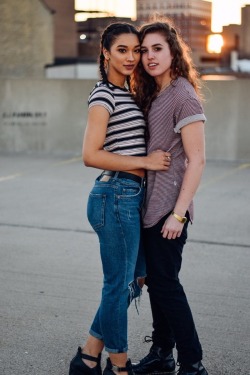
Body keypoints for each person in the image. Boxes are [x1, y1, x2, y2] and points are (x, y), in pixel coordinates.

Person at [68, 22, 171, 375]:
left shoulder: (128, 93)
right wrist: (144, 161)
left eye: (136, 50)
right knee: (117, 284)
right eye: (123, 50)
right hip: (114, 194)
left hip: (130, 196)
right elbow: (90, 154)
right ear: (106, 53)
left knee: (137, 278)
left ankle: (88, 355)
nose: (131, 57)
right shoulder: (103, 95)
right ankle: (119, 365)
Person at [132, 18, 208, 375]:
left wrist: (178, 214)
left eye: (157, 48)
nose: (149, 56)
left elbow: (197, 159)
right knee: (157, 287)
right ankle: (162, 352)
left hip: (169, 213)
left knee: (167, 287)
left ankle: (193, 363)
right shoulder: (155, 94)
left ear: (173, 51)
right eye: (144, 50)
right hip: (151, 209)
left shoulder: (182, 94)